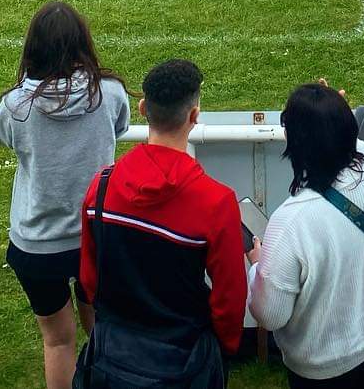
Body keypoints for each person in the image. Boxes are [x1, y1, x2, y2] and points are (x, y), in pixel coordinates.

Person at [78, 58, 243, 389]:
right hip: (185, 359)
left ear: (141, 108)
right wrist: (223, 349)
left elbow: (89, 278)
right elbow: (230, 300)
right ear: (194, 116)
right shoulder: (216, 202)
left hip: (117, 356)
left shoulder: (102, 186)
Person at [0, 1, 129, 389]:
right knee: (103, 330)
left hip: (36, 243)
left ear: (32, 48)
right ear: (83, 43)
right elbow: (119, 127)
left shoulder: (17, 105)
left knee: (58, 339)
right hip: (95, 235)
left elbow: (3, 135)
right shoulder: (110, 93)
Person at [248, 81, 364, 387]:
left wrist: (257, 265)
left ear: (294, 143)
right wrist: (331, 111)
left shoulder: (291, 222)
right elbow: (348, 140)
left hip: (326, 362)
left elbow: (271, 316)